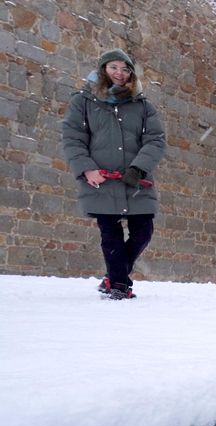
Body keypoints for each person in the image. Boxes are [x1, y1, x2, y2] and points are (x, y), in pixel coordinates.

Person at [62, 48, 166, 300]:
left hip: (136, 179)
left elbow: (155, 139)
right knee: (110, 234)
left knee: (143, 231)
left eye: (125, 69)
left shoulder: (142, 105)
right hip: (101, 179)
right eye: (114, 67)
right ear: (103, 70)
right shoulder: (83, 102)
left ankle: (114, 276)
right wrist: (87, 169)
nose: (120, 73)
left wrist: (138, 167)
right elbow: (73, 138)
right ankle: (119, 286)